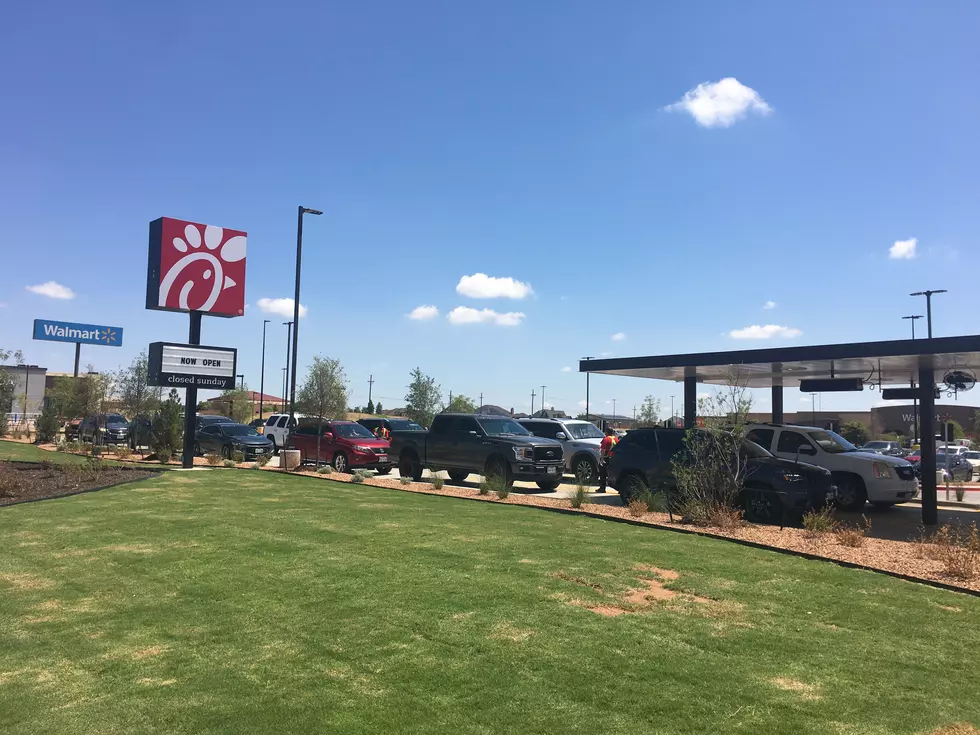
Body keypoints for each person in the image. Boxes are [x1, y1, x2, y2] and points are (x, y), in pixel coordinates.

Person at [596, 425, 620, 493]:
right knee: (615, 474)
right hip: (614, 459)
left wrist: (601, 459)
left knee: (602, 474)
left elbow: (603, 450)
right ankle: (619, 489)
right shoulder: (616, 439)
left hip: (606, 458)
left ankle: (602, 488)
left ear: (607, 432)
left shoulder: (606, 439)